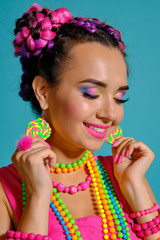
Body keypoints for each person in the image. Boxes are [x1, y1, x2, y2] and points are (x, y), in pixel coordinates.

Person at [0, 3, 159, 240]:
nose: (110, 113)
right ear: (43, 92)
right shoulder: (6, 187)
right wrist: (38, 194)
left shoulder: (121, 174)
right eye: (91, 94)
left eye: (119, 98)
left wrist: (135, 185)